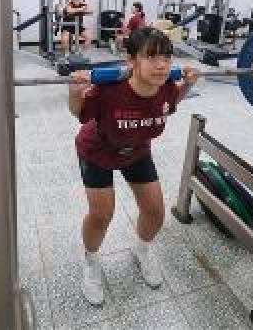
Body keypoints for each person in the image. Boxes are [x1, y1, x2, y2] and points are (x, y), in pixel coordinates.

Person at [68, 27, 198, 306]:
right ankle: (91, 262)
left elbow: (172, 101)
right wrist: (75, 90)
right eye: (151, 57)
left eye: (166, 57)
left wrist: (187, 84)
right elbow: (78, 112)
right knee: (102, 214)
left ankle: (142, 249)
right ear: (131, 61)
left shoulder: (165, 88)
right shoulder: (108, 91)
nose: (162, 65)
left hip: (137, 149)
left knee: (155, 212)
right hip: (98, 150)